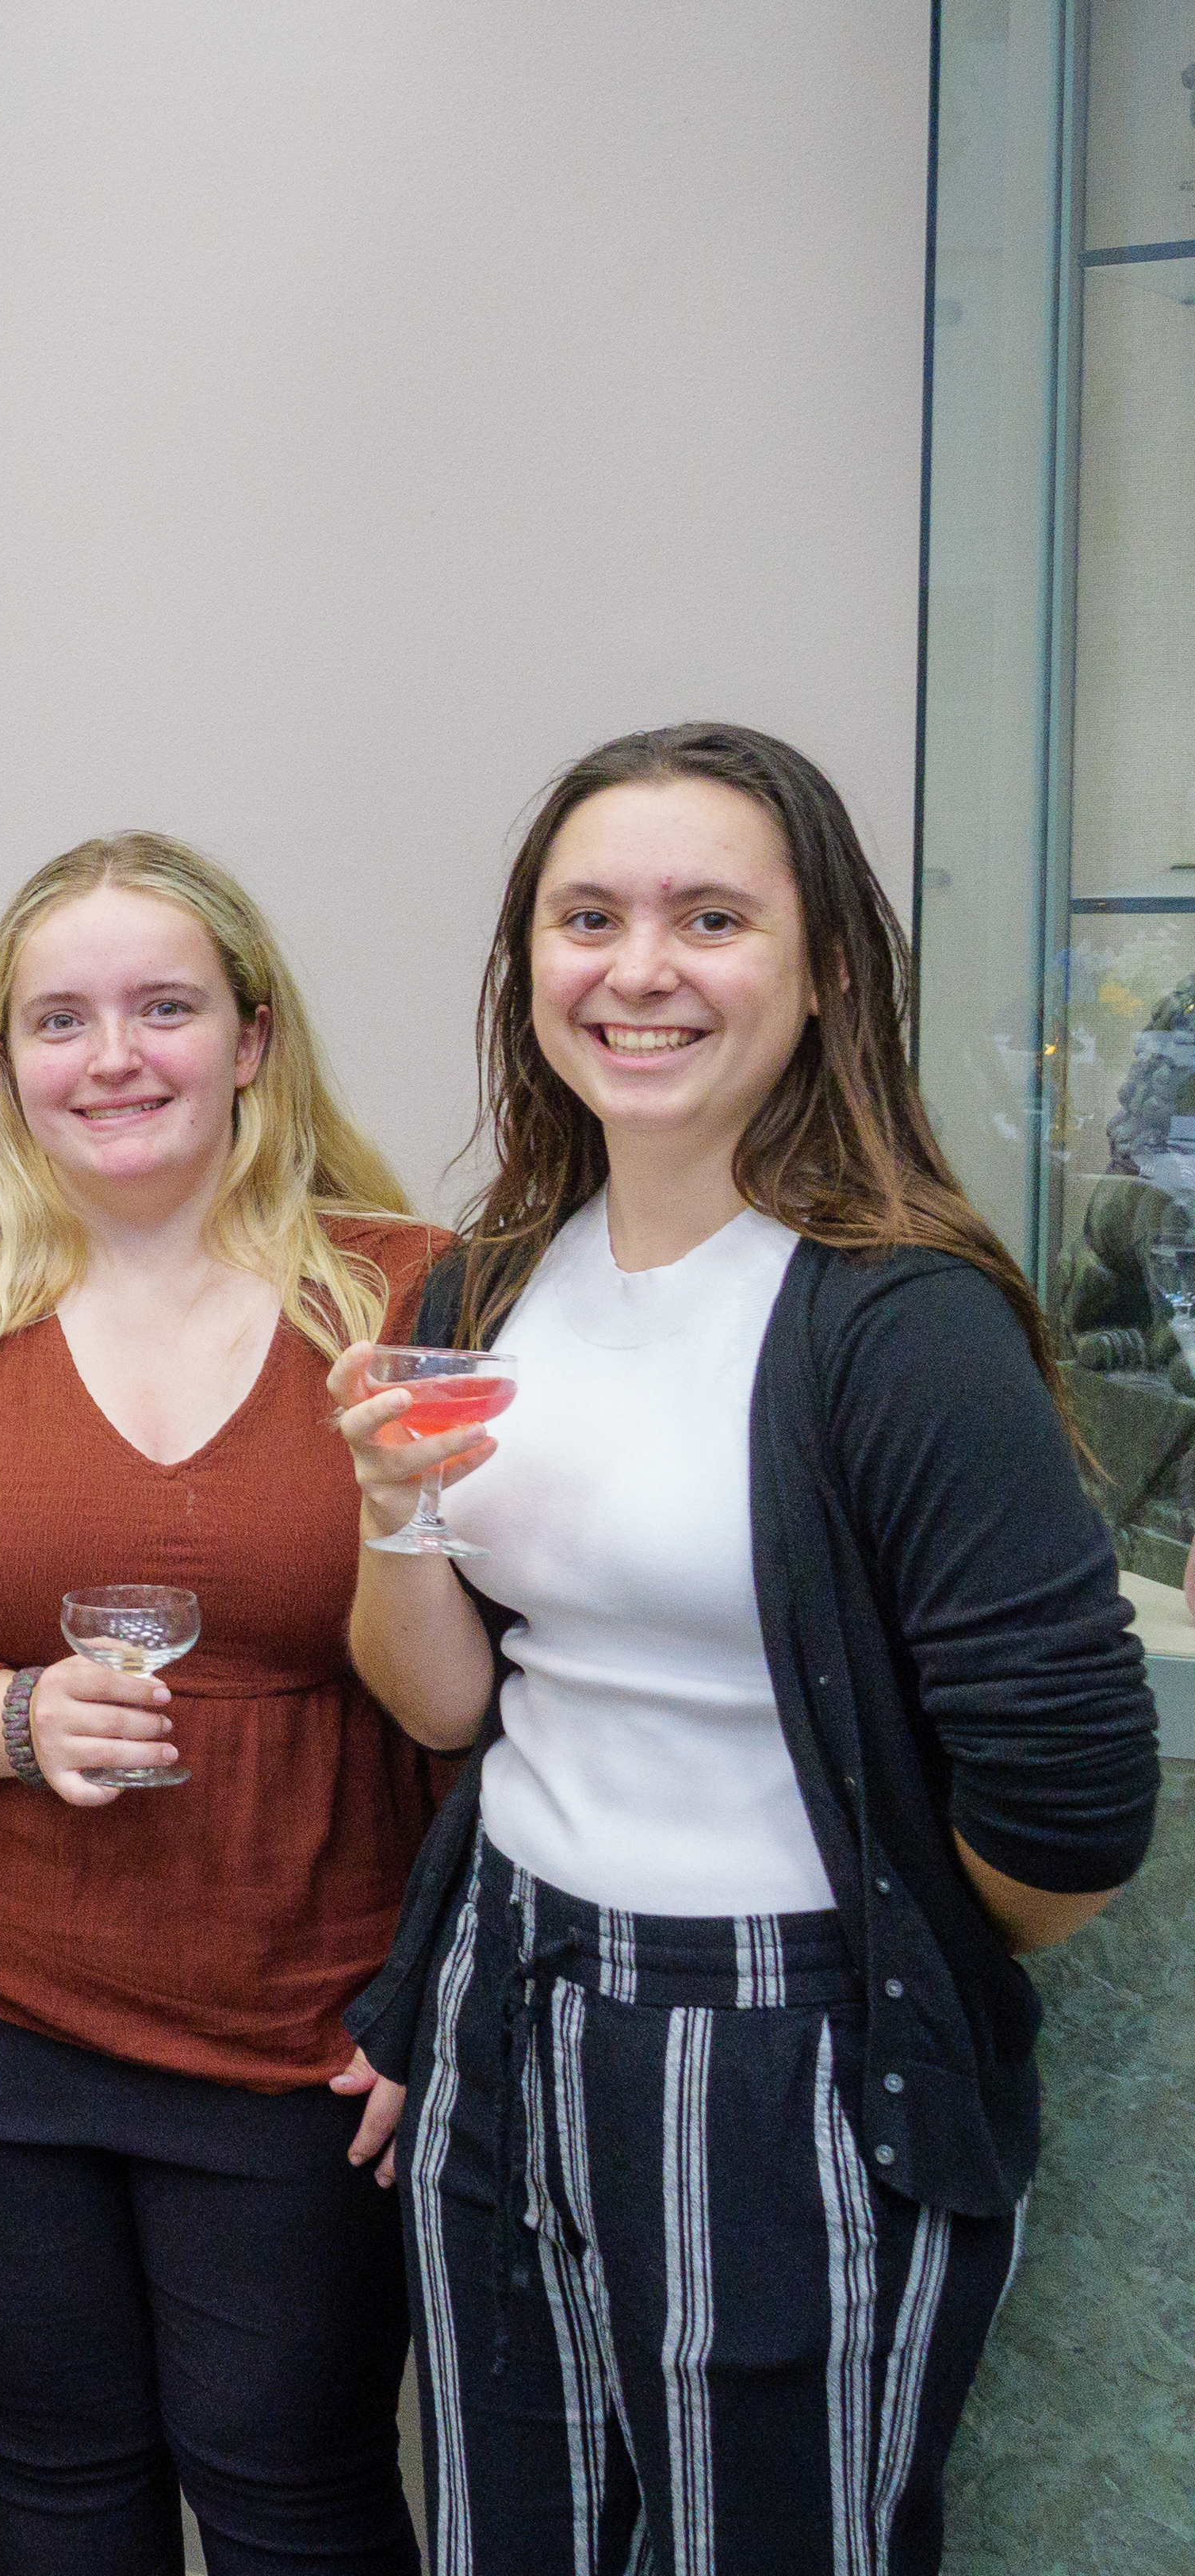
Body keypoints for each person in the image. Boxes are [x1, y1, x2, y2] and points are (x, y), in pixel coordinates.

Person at [330, 723, 1162, 2576]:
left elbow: (1072, 1806)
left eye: (710, 917)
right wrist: (387, 1508)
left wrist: (862, 1958)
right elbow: (448, 1697)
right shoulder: (484, 1280)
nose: (636, 969)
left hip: (784, 2045)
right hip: (500, 1995)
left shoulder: (896, 1317)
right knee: (505, 2530)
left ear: (824, 973)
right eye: (586, 917)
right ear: (524, 963)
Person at [0, 832, 436, 2576]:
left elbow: (530, 1690)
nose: (109, 1056)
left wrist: (430, 1994)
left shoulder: (417, 1296)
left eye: (162, 1008)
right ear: (4, 1063)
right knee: (54, 2459)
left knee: (291, 2479)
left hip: (311, 2023)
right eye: (59, 1019)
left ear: (250, 1040)